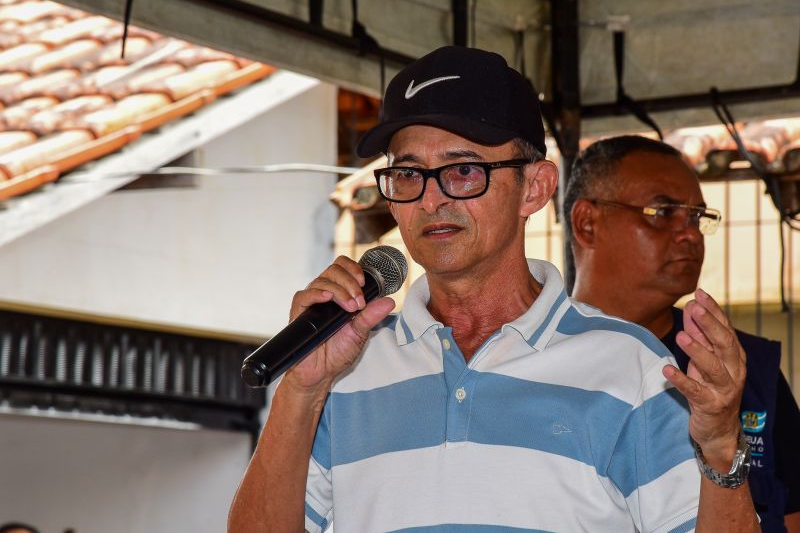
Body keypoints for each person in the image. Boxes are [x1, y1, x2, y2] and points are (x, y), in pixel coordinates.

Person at [229, 46, 759, 532]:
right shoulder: (343, 368)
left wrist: (718, 449)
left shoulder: (629, 366)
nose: (432, 200)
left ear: (535, 187)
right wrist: (301, 391)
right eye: (408, 174)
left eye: (462, 170)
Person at [565, 134, 800, 532]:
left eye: (695, 216)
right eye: (661, 212)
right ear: (588, 223)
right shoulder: (532, 360)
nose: (689, 233)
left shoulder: (741, 367)